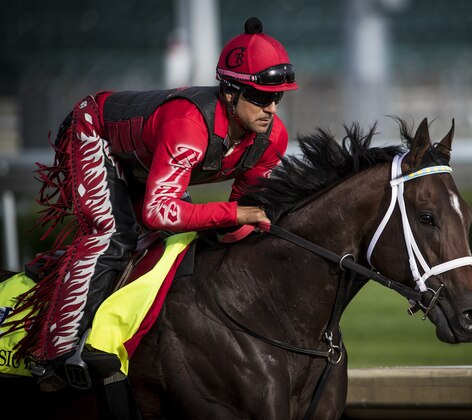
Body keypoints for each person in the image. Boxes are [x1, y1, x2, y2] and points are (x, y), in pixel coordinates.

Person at [8, 16, 297, 389]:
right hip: (94, 132)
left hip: (144, 161)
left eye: (278, 97)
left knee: (174, 242)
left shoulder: (272, 139)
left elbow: (242, 213)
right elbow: (160, 211)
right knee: (112, 236)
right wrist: (231, 213)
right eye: (260, 98)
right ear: (228, 92)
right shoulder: (189, 124)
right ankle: (51, 356)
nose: (271, 109)